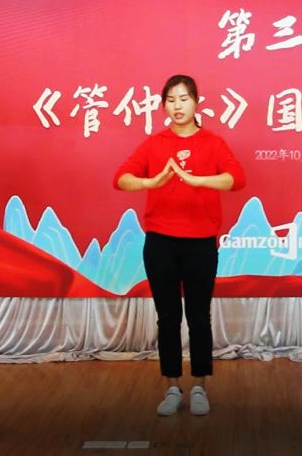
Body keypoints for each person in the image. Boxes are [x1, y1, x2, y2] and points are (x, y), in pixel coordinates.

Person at [114, 74, 245, 416]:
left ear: (196, 102)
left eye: (184, 99)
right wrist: (151, 182)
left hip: (200, 243)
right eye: (171, 100)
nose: (177, 106)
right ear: (163, 105)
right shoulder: (154, 143)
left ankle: (200, 386)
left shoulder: (213, 143)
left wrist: (199, 180)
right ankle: (172, 387)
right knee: (168, 319)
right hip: (160, 243)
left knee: (199, 317)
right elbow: (121, 179)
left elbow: (236, 178)